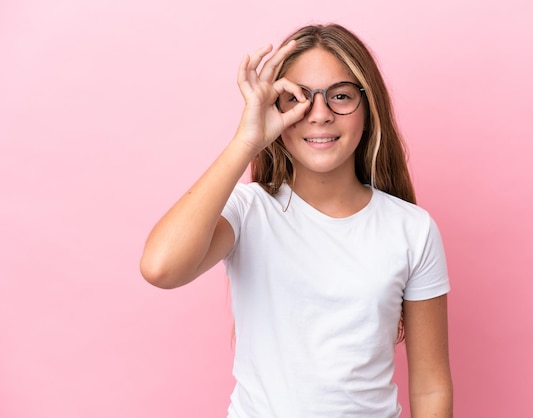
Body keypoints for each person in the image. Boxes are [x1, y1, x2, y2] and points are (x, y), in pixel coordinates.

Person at [140, 23, 453, 418]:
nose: (319, 115)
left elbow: (431, 386)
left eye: (340, 96)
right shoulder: (249, 210)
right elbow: (160, 267)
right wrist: (246, 140)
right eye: (299, 99)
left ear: (368, 108)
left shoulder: (412, 229)